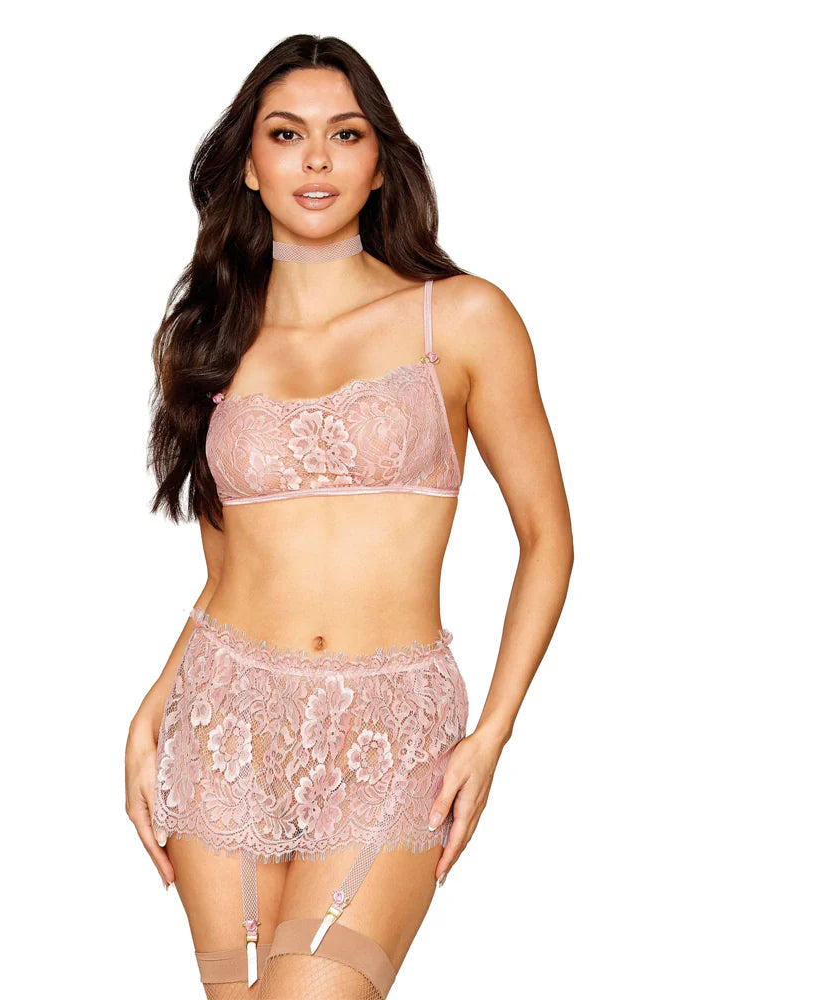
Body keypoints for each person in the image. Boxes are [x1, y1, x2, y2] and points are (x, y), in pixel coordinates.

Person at [126, 34, 573, 1000]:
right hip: (226, 721)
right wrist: (155, 704)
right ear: (250, 165)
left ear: (380, 164)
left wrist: (492, 733)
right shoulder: (210, 340)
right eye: (287, 135)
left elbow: (548, 538)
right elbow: (227, 571)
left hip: (393, 729)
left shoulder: (462, 318)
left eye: (346, 134)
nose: (316, 159)